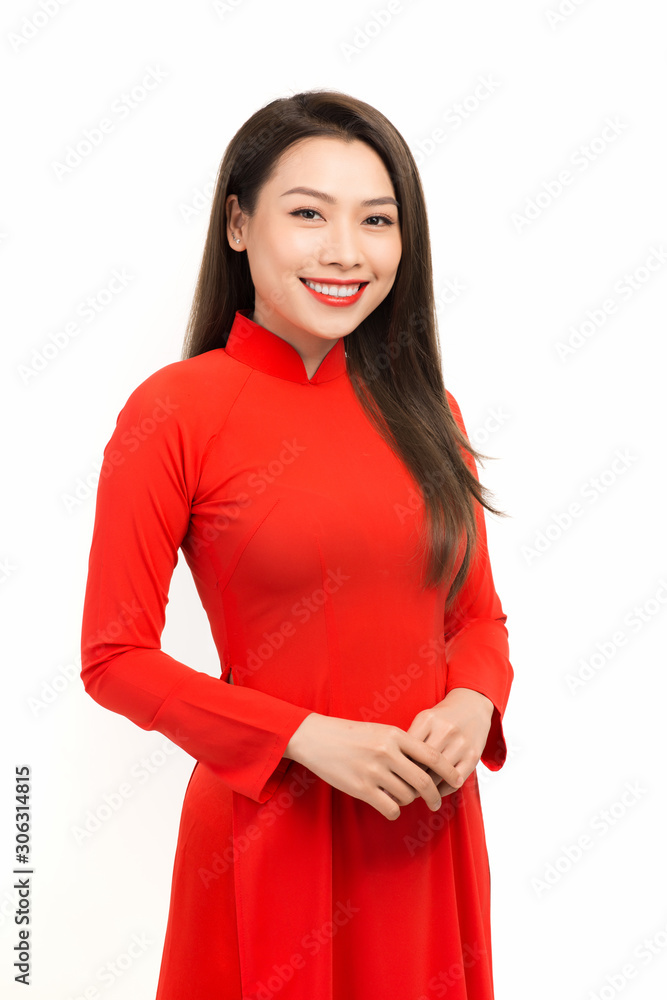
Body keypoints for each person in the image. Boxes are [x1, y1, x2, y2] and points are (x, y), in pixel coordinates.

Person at [80, 88, 514, 1000]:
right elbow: (114, 656)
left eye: (376, 220)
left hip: (423, 827)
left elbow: (475, 618)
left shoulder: (428, 414)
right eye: (307, 214)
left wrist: (474, 703)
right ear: (238, 224)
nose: (344, 252)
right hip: (268, 830)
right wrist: (303, 738)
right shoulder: (173, 412)